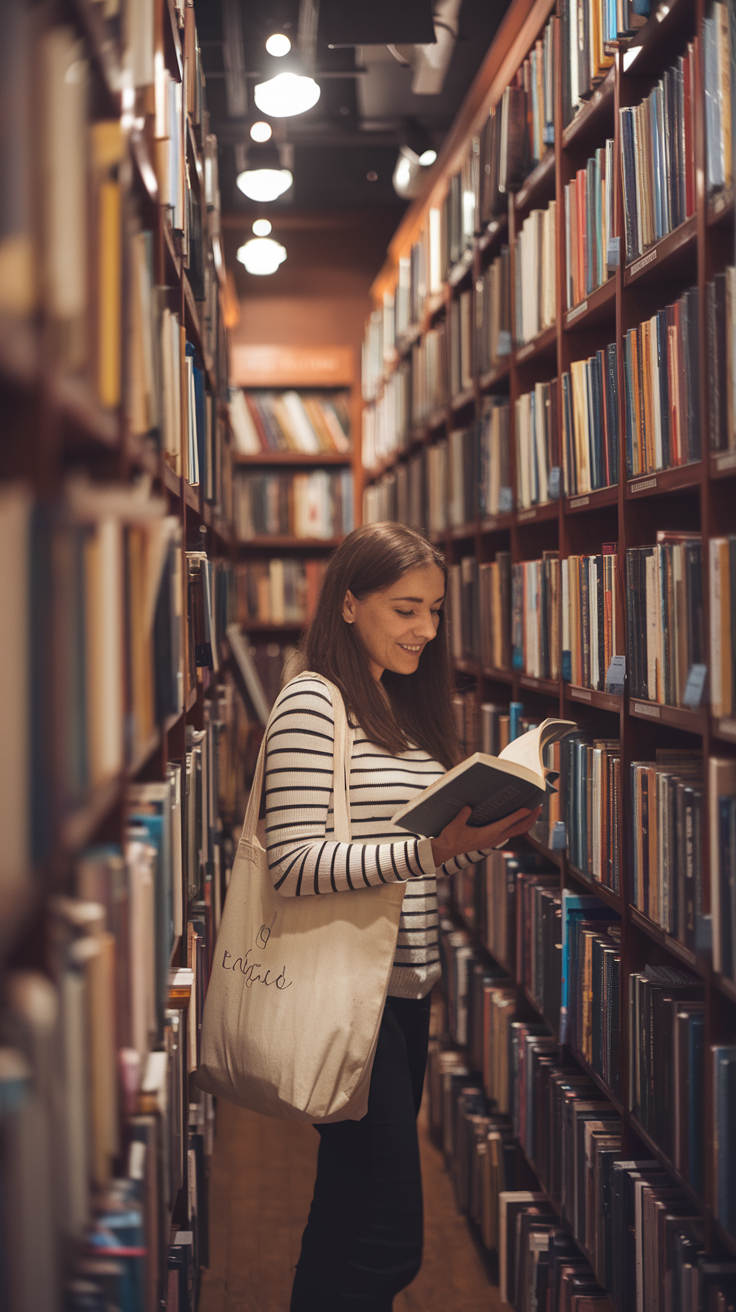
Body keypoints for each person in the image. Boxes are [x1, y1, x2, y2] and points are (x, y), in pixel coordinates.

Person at [265, 522, 540, 1312]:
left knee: (348, 1204)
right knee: (388, 1236)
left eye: (436, 611)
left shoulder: (400, 700)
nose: (426, 628)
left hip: (405, 991)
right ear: (348, 605)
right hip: (349, 991)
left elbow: (411, 860)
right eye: (406, 609)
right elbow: (293, 863)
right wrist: (425, 855)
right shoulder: (313, 700)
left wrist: (473, 841)